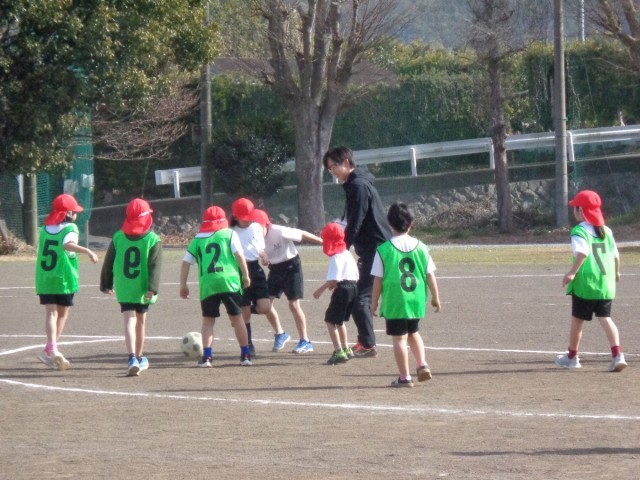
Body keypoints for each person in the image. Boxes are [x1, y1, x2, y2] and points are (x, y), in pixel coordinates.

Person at [323, 146, 391, 358]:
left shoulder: (358, 186)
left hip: (375, 249)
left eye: (333, 166)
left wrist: (342, 248)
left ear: (346, 163)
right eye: (329, 169)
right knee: (360, 295)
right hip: (376, 248)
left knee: (358, 296)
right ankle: (365, 341)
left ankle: (368, 344)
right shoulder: (356, 183)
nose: (332, 171)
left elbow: (356, 221)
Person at [370, 202, 441, 387]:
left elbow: (378, 280)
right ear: (411, 224)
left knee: (399, 338)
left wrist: (373, 302)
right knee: (413, 332)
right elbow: (430, 274)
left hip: (395, 301)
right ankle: (422, 364)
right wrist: (435, 297)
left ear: (389, 223)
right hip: (415, 299)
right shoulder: (422, 247)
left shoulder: (384, 249)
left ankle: (404, 377)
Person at [556, 190, 627, 372]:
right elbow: (616, 255)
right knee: (606, 319)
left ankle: (572, 357)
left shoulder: (579, 231)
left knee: (577, 321)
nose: (574, 211)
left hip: (586, 283)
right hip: (605, 283)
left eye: (575, 208)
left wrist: (572, 273)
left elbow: (582, 253)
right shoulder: (606, 230)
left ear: (581, 210)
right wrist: (616, 273)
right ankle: (617, 355)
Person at [180, 206, 253, 367]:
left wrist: (183, 285)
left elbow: (186, 262)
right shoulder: (229, 234)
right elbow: (239, 255)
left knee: (208, 321)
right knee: (237, 318)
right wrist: (245, 274)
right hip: (229, 281)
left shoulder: (197, 239)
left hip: (208, 284)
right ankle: (245, 355)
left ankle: (207, 357)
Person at [35, 194, 99, 370]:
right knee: (62, 313)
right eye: (75, 211)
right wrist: (88, 251)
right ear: (69, 213)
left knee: (51, 313)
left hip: (45, 277)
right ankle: (51, 348)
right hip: (63, 277)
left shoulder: (44, 229)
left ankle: (50, 348)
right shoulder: (71, 228)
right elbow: (67, 245)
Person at [100, 198, 162, 376]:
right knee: (141, 321)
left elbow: (108, 262)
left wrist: (106, 283)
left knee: (129, 320)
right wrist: (152, 288)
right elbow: (154, 266)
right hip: (142, 287)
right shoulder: (152, 239)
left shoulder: (118, 237)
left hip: (125, 286)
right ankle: (140, 357)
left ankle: (132, 357)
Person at [250, 208, 323, 354]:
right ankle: (280, 333)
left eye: (259, 228)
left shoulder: (279, 230)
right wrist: (264, 257)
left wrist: (322, 241)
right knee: (266, 304)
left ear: (266, 225)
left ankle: (305, 341)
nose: (256, 232)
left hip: (291, 267)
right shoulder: (253, 236)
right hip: (275, 269)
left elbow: (301, 233)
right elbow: (259, 250)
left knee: (294, 305)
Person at [230, 198, 290, 354]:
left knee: (265, 306)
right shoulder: (231, 232)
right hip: (238, 271)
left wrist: (264, 256)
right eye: (244, 217)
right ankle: (248, 344)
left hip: (255, 270)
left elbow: (259, 248)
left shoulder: (256, 227)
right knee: (245, 313)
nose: (248, 219)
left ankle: (239, 313)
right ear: (236, 216)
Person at [313, 222, 359, 365]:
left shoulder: (336, 256)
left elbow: (334, 279)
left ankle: (338, 351)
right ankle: (346, 349)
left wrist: (320, 290)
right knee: (339, 322)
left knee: (330, 320)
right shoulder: (347, 253)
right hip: (353, 287)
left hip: (343, 289)